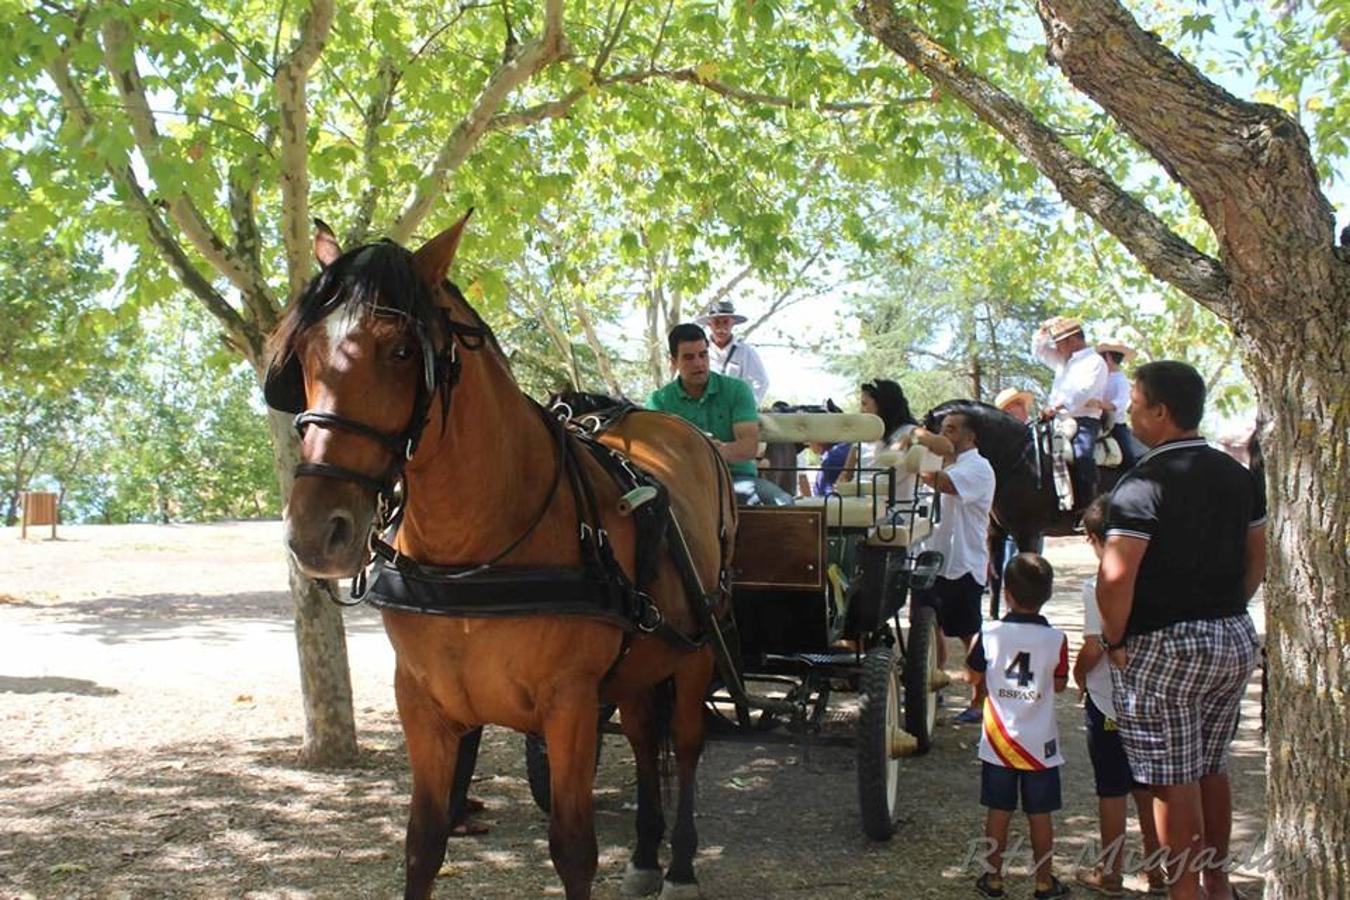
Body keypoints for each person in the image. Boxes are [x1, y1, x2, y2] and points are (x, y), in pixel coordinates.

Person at [1096, 361, 1265, 900]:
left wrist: (1114, 640)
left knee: (1172, 778)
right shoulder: (1237, 475)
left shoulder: (1141, 484)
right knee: (1211, 766)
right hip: (1231, 635)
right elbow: (1256, 558)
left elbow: (1116, 578)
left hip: (1163, 645)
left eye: (1135, 405)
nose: (1130, 414)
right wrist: (1225, 607)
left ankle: (1185, 891)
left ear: (1161, 412)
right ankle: (1218, 884)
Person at [1073, 494, 1164, 896]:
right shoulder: (1155, 582)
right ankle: (1157, 870)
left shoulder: (1097, 586)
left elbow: (1094, 646)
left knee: (1111, 788)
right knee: (1149, 788)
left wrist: (1078, 676)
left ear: (1095, 539)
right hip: (1150, 702)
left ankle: (1110, 872)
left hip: (1108, 703)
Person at [966, 552, 1070, 900]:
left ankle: (993, 879)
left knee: (999, 811)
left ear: (1007, 593)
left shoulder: (990, 633)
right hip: (1040, 742)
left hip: (999, 740)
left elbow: (971, 675)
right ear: (1048, 594)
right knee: (1040, 814)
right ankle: (1044, 882)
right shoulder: (1057, 639)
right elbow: (1059, 684)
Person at [648, 323, 792, 506]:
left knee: (782, 503)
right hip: (682, 484)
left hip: (736, 478)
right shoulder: (659, 400)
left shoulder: (737, 390)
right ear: (674, 362)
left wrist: (708, 451)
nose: (699, 363)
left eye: (703, 354)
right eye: (689, 357)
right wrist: (708, 450)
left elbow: (749, 447)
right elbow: (654, 453)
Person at [912, 410, 996, 722]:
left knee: (969, 634)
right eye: (942, 429)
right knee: (927, 631)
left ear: (970, 437)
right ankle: (932, 691)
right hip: (931, 560)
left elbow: (943, 484)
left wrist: (914, 448)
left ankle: (979, 700)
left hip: (963, 563)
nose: (944, 435)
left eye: (951, 430)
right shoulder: (942, 462)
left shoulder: (978, 467)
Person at [1033, 315, 1109, 509]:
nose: (1056, 348)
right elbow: (1039, 351)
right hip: (1057, 421)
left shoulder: (1094, 362)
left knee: (1082, 455)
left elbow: (1083, 391)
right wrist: (1044, 328)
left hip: (1084, 420)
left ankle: (1089, 507)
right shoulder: (1063, 361)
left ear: (1073, 340)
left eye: (1059, 343)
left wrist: (1056, 407)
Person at [697, 299, 770, 404]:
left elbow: (761, 381)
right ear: (709, 324)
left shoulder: (745, 352)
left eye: (725, 322)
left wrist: (747, 407)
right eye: (716, 322)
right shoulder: (699, 351)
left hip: (735, 408)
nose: (721, 327)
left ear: (733, 323)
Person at [1092, 338, 1145, 471]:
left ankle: (1135, 476)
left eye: (1102, 357)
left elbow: (1121, 403)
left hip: (1115, 424)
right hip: (1096, 420)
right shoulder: (1100, 377)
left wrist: (1100, 404)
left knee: (1128, 458)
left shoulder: (1121, 380)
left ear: (1108, 357)